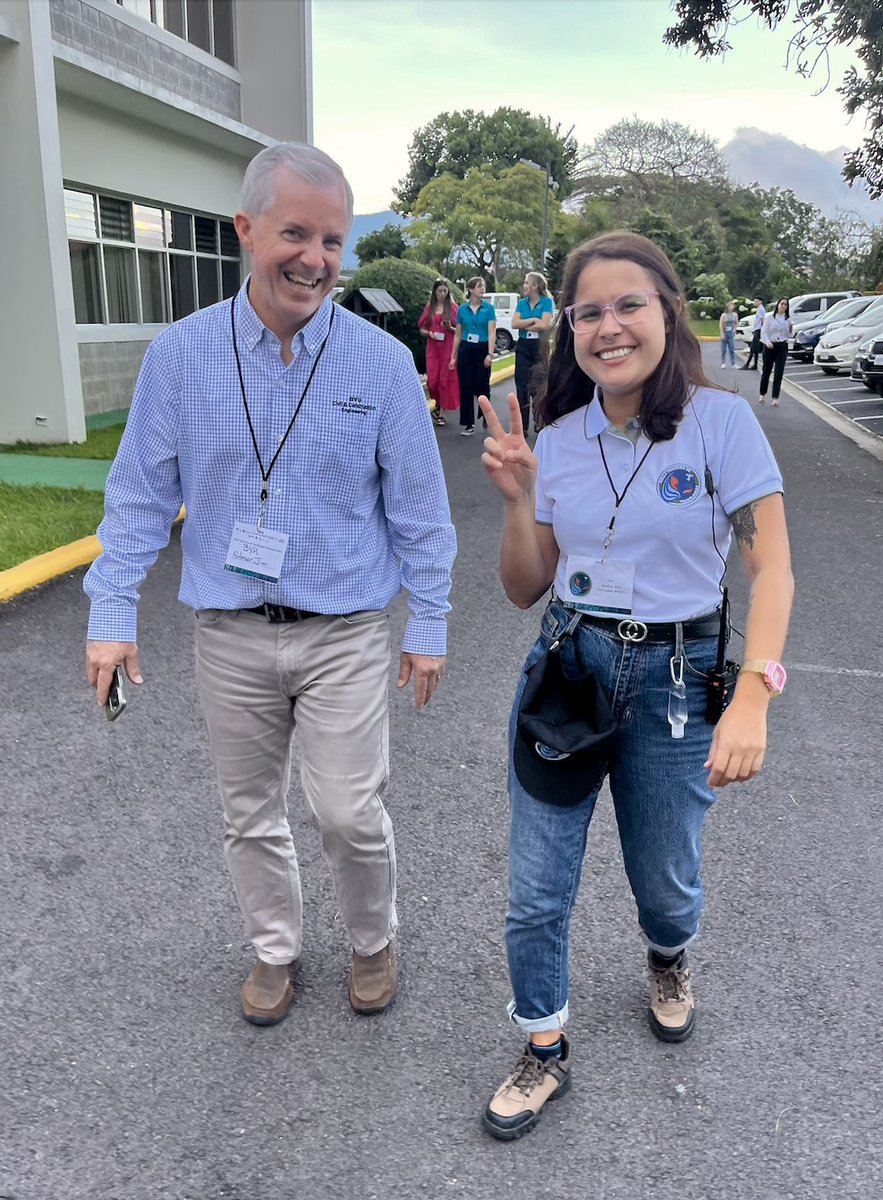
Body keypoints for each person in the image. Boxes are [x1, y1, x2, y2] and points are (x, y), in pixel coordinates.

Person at [84, 142, 457, 1028]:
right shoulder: (179, 357)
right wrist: (112, 610)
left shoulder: (377, 364)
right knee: (248, 811)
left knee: (345, 809)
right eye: (296, 233)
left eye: (332, 241)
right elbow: (138, 495)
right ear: (248, 230)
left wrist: (429, 621)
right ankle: (274, 950)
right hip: (230, 630)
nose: (315, 259)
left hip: (345, 627)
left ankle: (373, 939)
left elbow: (420, 508)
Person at [477, 231, 793, 1141]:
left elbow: (772, 570)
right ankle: (542, 1046)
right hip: (567, 669)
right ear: (565, 326)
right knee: (536, 891)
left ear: (666, 312)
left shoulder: (720, 422)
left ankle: (667, 953)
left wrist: (752, 698)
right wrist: (515, 501)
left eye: (627, 306)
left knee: (665, 880)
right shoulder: (560, 437)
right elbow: (522, 585)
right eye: (587, 312)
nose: (606, 326)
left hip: (676, 680)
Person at [450, 276, 496, 436]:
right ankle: (468, 423)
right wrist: (453, 356)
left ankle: (484, 413)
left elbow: (492, 332)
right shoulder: (462, 309)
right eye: (478, 286)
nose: (482, 289)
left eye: (483, 286)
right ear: (470, 289)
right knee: (466, 387)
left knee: (482, 386)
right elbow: (457, 334)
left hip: (482, 348)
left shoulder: (489, 309)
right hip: (466, 349)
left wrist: (490, 353)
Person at [512, 271, 555, 434]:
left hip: (539, 346)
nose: (524, 286)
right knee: (521, 386)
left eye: (526, 283)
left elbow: (544, 325)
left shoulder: (546, 302)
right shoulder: (522, 303)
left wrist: (528, 324)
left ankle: (539, 420)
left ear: (535, 286)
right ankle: (522, 426)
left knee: (538, 386)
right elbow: (514, 323)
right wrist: (532, 321)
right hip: (523, 346)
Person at [418, 278, 460, 427]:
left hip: (448, 347)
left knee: (444, 381)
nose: (442, 294)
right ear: (434, 292)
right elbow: (422, 328)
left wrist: (450, 328)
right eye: (440, 291)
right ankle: (438, 403)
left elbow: (460, 330)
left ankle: (442, 413)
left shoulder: (453, 308)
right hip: (433, 348)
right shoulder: (430, 308)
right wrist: (429, 333)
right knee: (432, 381)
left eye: (445, 291)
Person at [759, 297, 793, 406]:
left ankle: (775, 397)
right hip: (770, 346)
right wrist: (767, 342)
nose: (783, 306)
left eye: (785, 305)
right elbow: (764, 332)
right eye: (782, 304)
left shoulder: (787, 319)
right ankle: (762, 394)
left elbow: (789, 335)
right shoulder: (769, 317)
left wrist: (791, 328)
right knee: (766, 371)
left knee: (779, 372)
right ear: (778, 305)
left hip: (782, 346)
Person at [741, 296, 766, 370]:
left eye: (756, 301)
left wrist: (762, 330)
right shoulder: (759, 309)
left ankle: (748, 364)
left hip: (758, 330)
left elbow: (763, 320)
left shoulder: (761, 309)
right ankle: (754, 364)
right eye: (754, 301)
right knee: (755, 348)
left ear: (760, 301)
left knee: (753, 348)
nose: (755, 302)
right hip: (756, 329)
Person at [719, 300, 737, 368]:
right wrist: (722, 334)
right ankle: (723, 362)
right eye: (730, 306)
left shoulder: (735, 315)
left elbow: (736, 323)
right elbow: (721, 324)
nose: (731, 307)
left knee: (732, 348)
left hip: (731, 332)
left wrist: (734, 329)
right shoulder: (724, 315)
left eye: (732, 306)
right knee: (723, 349)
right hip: (725, 331)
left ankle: (733, 363)